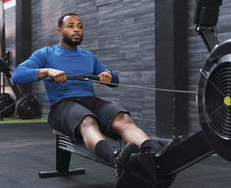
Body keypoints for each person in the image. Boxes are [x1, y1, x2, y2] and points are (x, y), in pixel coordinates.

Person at [12, 13, 156, 176]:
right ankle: (117, 160)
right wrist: (47, 71)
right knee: (87, 120)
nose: (77, 30)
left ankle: (153, 154)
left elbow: (114, 79)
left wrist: (108, 75)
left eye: (80, 27)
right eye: (71, 26)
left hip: (90, 101)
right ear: (60, 31)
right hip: (62, 105)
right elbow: (17, 75)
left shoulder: (88, 56)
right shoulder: (45, 54)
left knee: (122, 117)